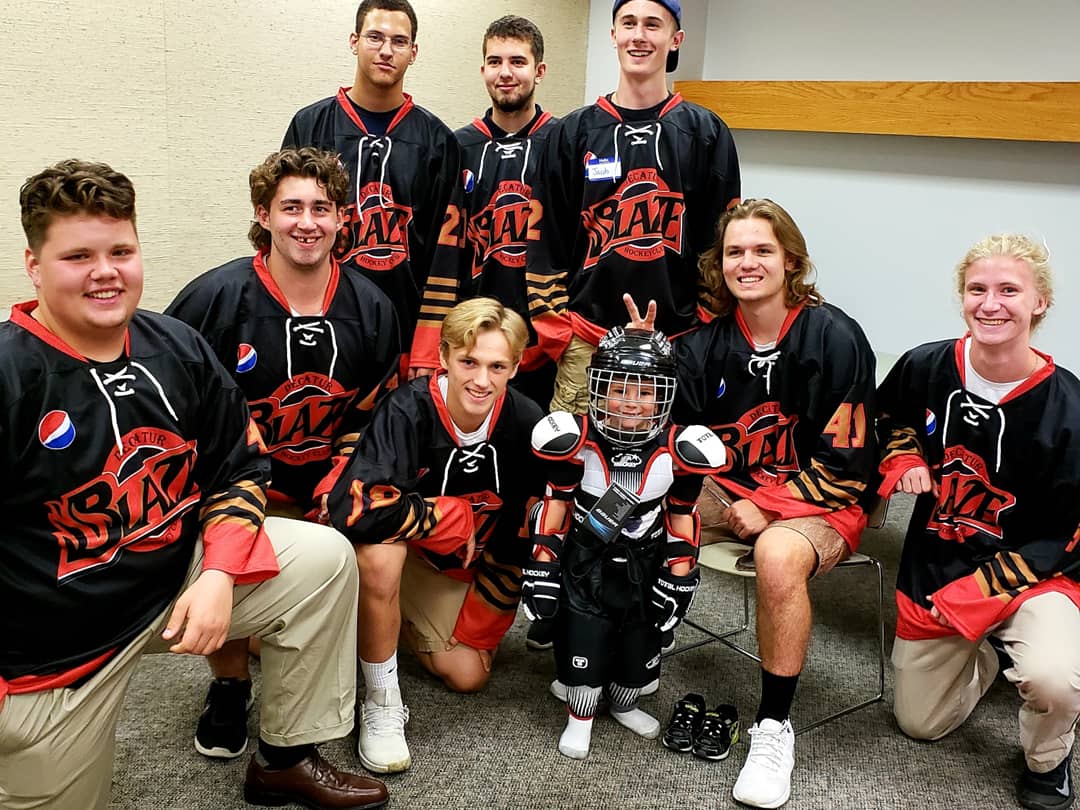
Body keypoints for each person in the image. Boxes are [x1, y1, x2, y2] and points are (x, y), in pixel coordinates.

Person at [0, 159, 388, 810]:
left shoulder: (174, 344)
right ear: (35, 264)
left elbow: (237, 463)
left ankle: (284, 761)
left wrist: (216, 574)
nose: (106, 271)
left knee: (324, 560)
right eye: (78, 256)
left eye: (121, 250)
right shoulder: (12, 375)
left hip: (174, 577)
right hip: (57, 652)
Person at [635, 198, 876, 808]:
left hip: (824, 498)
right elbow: (666, 432)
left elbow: (850, 464)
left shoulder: (836, 337)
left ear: (790, 260)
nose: (748, 262)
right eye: (735, 251)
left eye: (763, 250)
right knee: (642, 495)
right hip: (736, 488)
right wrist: (642, 367)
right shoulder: (707, 342)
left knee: (774, 555)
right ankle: (621, 656)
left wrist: (772, 507)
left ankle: (773, 728)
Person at [166, 146, 400, 760]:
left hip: (325, 482)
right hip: (242, 485)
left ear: (342, 218)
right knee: (234, 542)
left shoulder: (372, 307)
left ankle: (369, 699)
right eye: (290, 206)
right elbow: (179, 410)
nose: (307, 222)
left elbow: (371, 412)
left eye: (321, 208)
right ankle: (229, 684)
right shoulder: (214, 299)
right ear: (263, 213)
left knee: (376, 546)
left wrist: (345, 475)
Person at [877, 234, 1080, 810]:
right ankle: (987, 654)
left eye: (1009, 290)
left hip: (1034, 575)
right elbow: (886, 420)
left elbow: (1068, 535)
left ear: (1040, 302)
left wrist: (983, 591)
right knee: (921, 723)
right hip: (939, 560)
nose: (991, 304)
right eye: (977, 290)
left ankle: (1050, 757)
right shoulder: (926, 365)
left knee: (1053, 679)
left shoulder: (1072, 410)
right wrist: (905, 455)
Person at [326, 297, 545, 774]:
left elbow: (527, 528)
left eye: (496, 366)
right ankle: (382, 701)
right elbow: (356, 511)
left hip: (446, 569)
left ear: (516, 366)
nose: (481, 380)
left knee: (467, 674)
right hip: (392, 554)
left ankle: (378, 624)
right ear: (444, 355)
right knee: (380, 559)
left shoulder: (528, 422)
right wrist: (447, 516)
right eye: (468, 361)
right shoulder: (407, 409)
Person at [526, 0, 740, 415]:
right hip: (588, 339)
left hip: (678, 342)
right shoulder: (573, 133)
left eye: (652, 25)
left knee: (667, 468)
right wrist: (560, 330)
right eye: (628, 23)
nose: (639, 35)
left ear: (675, 39)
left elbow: (723, 242)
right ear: (613, 35)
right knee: (573, 467)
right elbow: (545, 238)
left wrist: (704, 324)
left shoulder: (706, 132)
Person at [527, 326, 725, 759]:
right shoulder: (572, 440)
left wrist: (680, 578)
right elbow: (554, 505)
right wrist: (542, 567)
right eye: (618, 388)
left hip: (647, 559)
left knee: (641, 641)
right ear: (597, 388)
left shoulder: (681, 449)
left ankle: (624, 703)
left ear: (665, 395)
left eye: (645, 390)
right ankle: (580, 720)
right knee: (585, 638)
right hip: (587, 560)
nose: (631, 402)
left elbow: (682, 515)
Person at [282, 0, 461, 373]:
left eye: (399, 41)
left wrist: (429, 346)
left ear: (413, 52)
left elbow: (447, 254)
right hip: (319, 324)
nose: (385, 50)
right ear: (354, 41)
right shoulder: (310, 126)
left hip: (404, 334)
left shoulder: (438, 141)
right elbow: (285, 232)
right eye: (375, 37)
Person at [412, 14, 559, 410]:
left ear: (539, 70)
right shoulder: (456, 147)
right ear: (482, 70)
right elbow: (443, 254)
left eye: (517, 62)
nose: (505, 73)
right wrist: (431, 346)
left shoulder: (564, 142)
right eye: (495, 62)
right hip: (474, 347)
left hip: (547, 346)